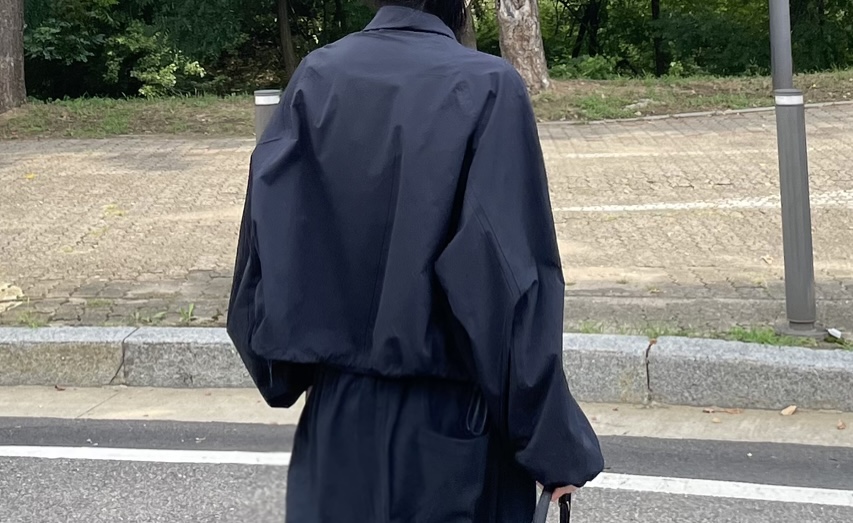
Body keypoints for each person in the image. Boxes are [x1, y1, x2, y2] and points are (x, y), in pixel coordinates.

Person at [227, 1, 605, 521]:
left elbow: (262, 250)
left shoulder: (317, 76)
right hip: (453, 436)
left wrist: (286, 371)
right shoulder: (487, 87)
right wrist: (554, 447)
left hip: (335, 429)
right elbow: (505, 285)